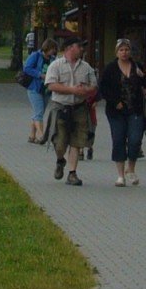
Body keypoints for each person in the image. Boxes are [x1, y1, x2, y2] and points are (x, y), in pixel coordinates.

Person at [44, 35, 98, 185]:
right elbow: (51, 85)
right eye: (79, 46)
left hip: (79, 109)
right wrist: (72, 90)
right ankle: (60, 160)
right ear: (69, 48)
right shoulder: (56, 65)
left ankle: (72, 173)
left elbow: (94, 86)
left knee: (77, 142)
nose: (82, 49)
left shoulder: (86, 67)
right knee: (60, 142)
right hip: (60, 108)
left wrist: (86, 90)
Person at [99, 38, 146, 186]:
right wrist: (115, 102)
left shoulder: (137, 66)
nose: (124, 52)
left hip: (135, 109)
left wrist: (144, 76)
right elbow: (104, 88)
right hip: (116, 111)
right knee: (118, 139)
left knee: (135, 140)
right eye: (121, 50)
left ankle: (131, 169)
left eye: (127, 50)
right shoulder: (110, 68)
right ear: (117, 52)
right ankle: (120, 175)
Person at [22, 37, 57, 143]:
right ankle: (41, 135)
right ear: (47, 47)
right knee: (39, 112)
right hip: (34, 88)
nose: (54, 51)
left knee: (39, 113)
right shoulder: (36, 55)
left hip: (46, 90)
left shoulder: (53, 59)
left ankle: (32, 136)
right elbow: (27, 68)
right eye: (52, 49)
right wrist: (39, 75)